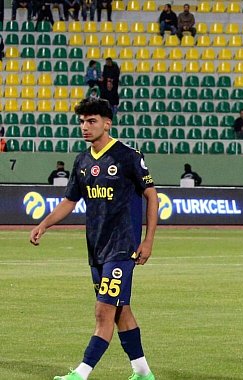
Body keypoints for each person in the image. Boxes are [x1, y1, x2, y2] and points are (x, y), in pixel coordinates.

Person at [30, 97, 158, 380]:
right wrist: (44, 224)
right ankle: (143, 372)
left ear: (106, 123)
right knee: (119, 309)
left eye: (92, 121)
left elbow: (152, 195)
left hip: (122, 248)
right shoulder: (82, 161)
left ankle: (81, 373)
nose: (85, 127)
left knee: (103, 312)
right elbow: (69, 201)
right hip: (96, 249)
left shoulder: (127, 156)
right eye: (82, 122)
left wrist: (148, 240)